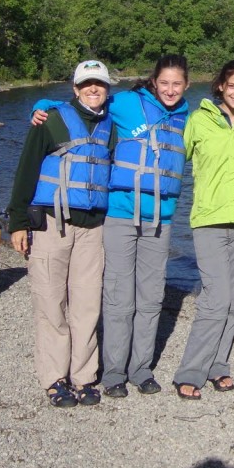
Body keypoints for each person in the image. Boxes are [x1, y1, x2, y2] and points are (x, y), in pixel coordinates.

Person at [32, 55, 191, 398]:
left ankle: (141, 368)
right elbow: (84, 104)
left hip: (160, 220)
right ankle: (114, 372)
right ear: (153, 81)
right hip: (119, 215)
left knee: (150, 299)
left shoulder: (187, 116)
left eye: (177, 84)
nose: (170, 89)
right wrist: (43, 104)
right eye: (164, 82)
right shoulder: (127, 102)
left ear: (187, 86)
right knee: (119, 297)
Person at [7, 59, 115, 408]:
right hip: (52, 224)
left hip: (92, 228)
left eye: (98, 84)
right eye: (86, 84)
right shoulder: (50, 119)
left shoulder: (112, 125)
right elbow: (26, 169)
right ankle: (55, 377)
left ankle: (83, 377)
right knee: (51, 302)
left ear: (107, 88)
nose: (93, 89)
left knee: (86, 306)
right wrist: (18, 221)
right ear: (75, 89)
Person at [172, 60, 234, 400]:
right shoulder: (198, 120)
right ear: (220, 85)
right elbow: (173, 155)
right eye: (232, 85)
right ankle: (189, 371)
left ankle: (218, 365)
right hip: (208, 221)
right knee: (216, 298)